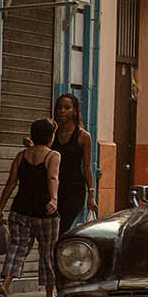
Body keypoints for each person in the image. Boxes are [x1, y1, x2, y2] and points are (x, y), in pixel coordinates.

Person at [0, 118, 62, 297]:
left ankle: (5, 287)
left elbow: (11, 183)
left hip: (20, 210)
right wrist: (54, 199)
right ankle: (50, 296)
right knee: (48, 252)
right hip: (44, 213)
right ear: (50, 137)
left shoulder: (21, 156)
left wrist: (0, 208)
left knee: (17, 249)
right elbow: (53, 177)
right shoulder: (53, 156)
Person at [51, 93, 94, 229]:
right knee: (51, 227)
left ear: (75, 111)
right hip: (54, 188)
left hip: (74, 189)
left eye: (67, 107)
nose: (62, 111)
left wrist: (91, 194)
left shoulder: (83, 136)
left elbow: (87, 167)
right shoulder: (52, 134)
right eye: (59, 108)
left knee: (64, 226)